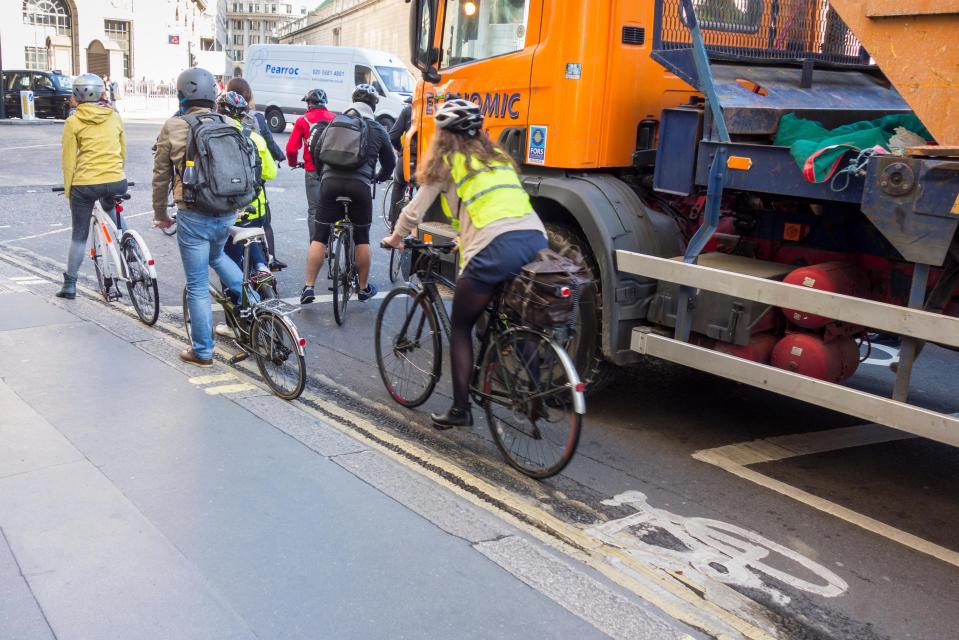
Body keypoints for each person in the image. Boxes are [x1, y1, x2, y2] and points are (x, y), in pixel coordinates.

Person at [382, 99, 547, 429]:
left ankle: (460, 410)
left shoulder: (446, 161)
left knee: (460, 326)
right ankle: (536, 394)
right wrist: (463, 237)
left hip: (494, 247)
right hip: (534, 238)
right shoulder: (497, 157)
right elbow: (483, 203)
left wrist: (396, 237)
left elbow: (415, 210)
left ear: (444, 135)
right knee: (516, 316)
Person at [152, 67, 247, 368]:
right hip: (227, 208)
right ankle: (256, 309)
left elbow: (161, 175)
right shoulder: (230, 122)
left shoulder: (173, 126)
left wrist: (160, 214)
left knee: (196, 284)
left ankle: (203, 351)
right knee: (217, 256)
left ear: (182, 95)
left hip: (193, 213)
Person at [301, 84, 395, 305]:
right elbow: (390, 163)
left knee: (320, 236)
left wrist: (324, 174)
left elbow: (316, 150)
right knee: (362, 237)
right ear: (373, 105)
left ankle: (308, 286)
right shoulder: (378, 129)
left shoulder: (335, 122)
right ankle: (363, 289)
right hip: (360, 186)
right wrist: (379, 177)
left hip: (330, 183)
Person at [56, 73, 127, 300]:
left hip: (85, 185)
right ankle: (130, 248)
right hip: (116, 179)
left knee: (79, 234)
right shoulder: (114, 116)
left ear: (76, 96)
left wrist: (69, 192)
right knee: (111, 206)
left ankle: (70, 285)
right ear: (101, 92)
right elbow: (122, 151)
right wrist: (115, 172)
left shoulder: (73, 122)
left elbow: (69, 162)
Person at [226, 77, 287, 271]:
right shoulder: (257, 122)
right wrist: (280, 156)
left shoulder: (217, 126)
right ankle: (269, 259)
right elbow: (268, 143)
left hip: (226, 190)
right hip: (254, 183)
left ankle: (232, 285)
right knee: (264, 222)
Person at [285, 88, 334, 242]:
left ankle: (317, 245)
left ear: (308, 104)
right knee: (331, 207)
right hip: (333, 170)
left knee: (314, 210)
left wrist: (294, 163)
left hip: (312, 169)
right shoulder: (334, 118)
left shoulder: (302, 121)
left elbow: (291, 149)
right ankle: (333, 238)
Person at [387, 96, 413, 226]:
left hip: (408, 157)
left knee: (398, 184)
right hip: (428, 159)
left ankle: (394, 222)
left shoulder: (408, 111)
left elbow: (393, 135)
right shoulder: (433, 111)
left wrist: (400, 150)